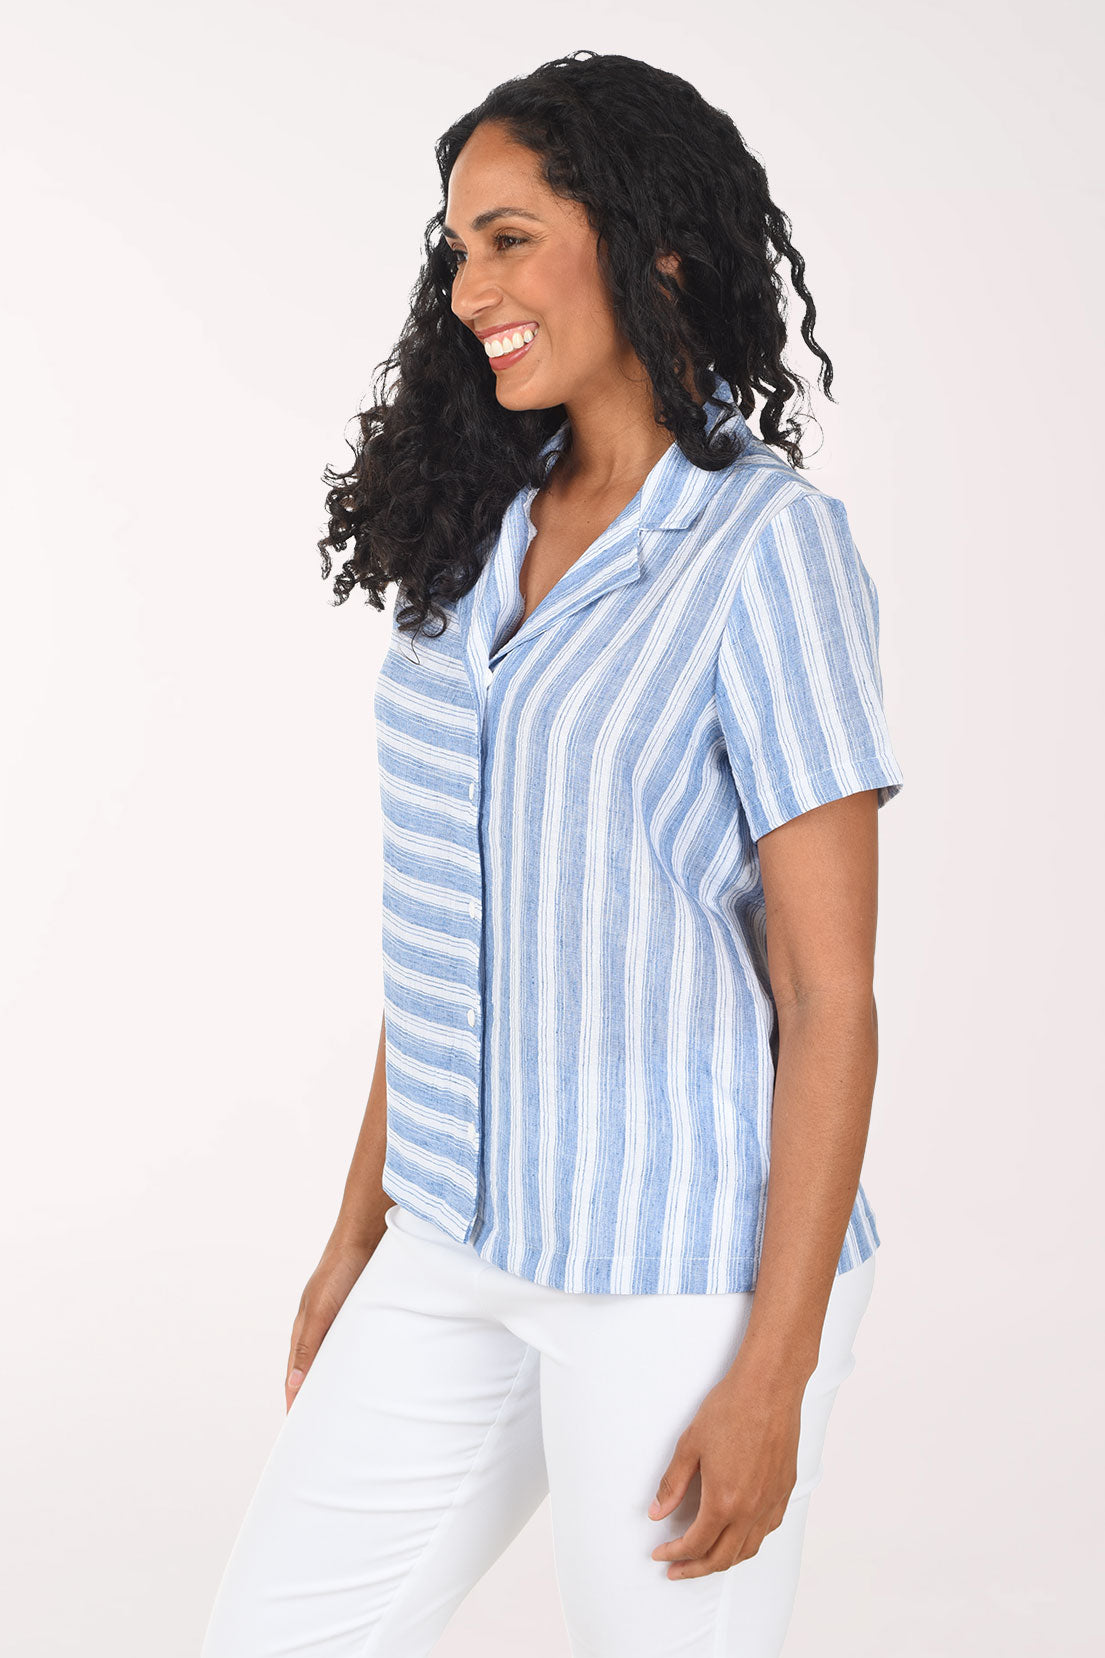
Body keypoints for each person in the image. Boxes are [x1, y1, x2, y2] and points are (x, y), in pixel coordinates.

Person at [200, 49, 905, 1658]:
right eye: (455, 248)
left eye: (509, 236)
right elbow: (455, 920)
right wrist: (357, 1228)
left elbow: (828, 991)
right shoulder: (466, 539)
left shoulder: (761, 551)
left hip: (678, 1266)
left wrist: (772, 1369)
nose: (468, 285)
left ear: (650, 241)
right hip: (449, 1233)